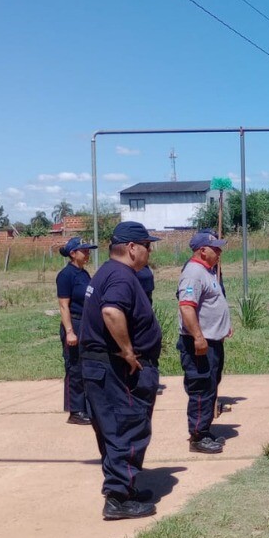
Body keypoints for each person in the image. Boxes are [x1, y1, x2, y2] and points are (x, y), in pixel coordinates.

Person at [79, 221, 163, 519]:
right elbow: (111, 311)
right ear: (131, 248)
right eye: (147, 246)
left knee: (115, 430)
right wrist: (128, 351)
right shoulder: (121, 277)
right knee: (127, 428)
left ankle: (123, 489)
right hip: (117, 369)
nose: (149, 252)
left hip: (100, 367)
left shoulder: (106, 272)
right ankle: (117, 499)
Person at [177, 229, 231, 454]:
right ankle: (197, 436)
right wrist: (199, 337)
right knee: (201, 388)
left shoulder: (208, 271)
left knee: (210, 386)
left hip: (211, 341)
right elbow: (187, 307)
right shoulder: (193, 273)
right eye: (215, 248)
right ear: (202, 250)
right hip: (199, 343)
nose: (219, 252)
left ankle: (204, 430)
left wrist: (224, 324)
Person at [56, 235, 97, 425]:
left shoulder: (83, 274)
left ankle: (86, 407)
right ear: (73, 254)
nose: (88, 253)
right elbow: (64, 306)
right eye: (84, 250)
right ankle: (75, 410)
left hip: (85, 324)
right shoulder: (66, 275)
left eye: (88, 250)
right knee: (74, 367)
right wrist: (70, 331)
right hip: (74, 323)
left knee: (85, 365)